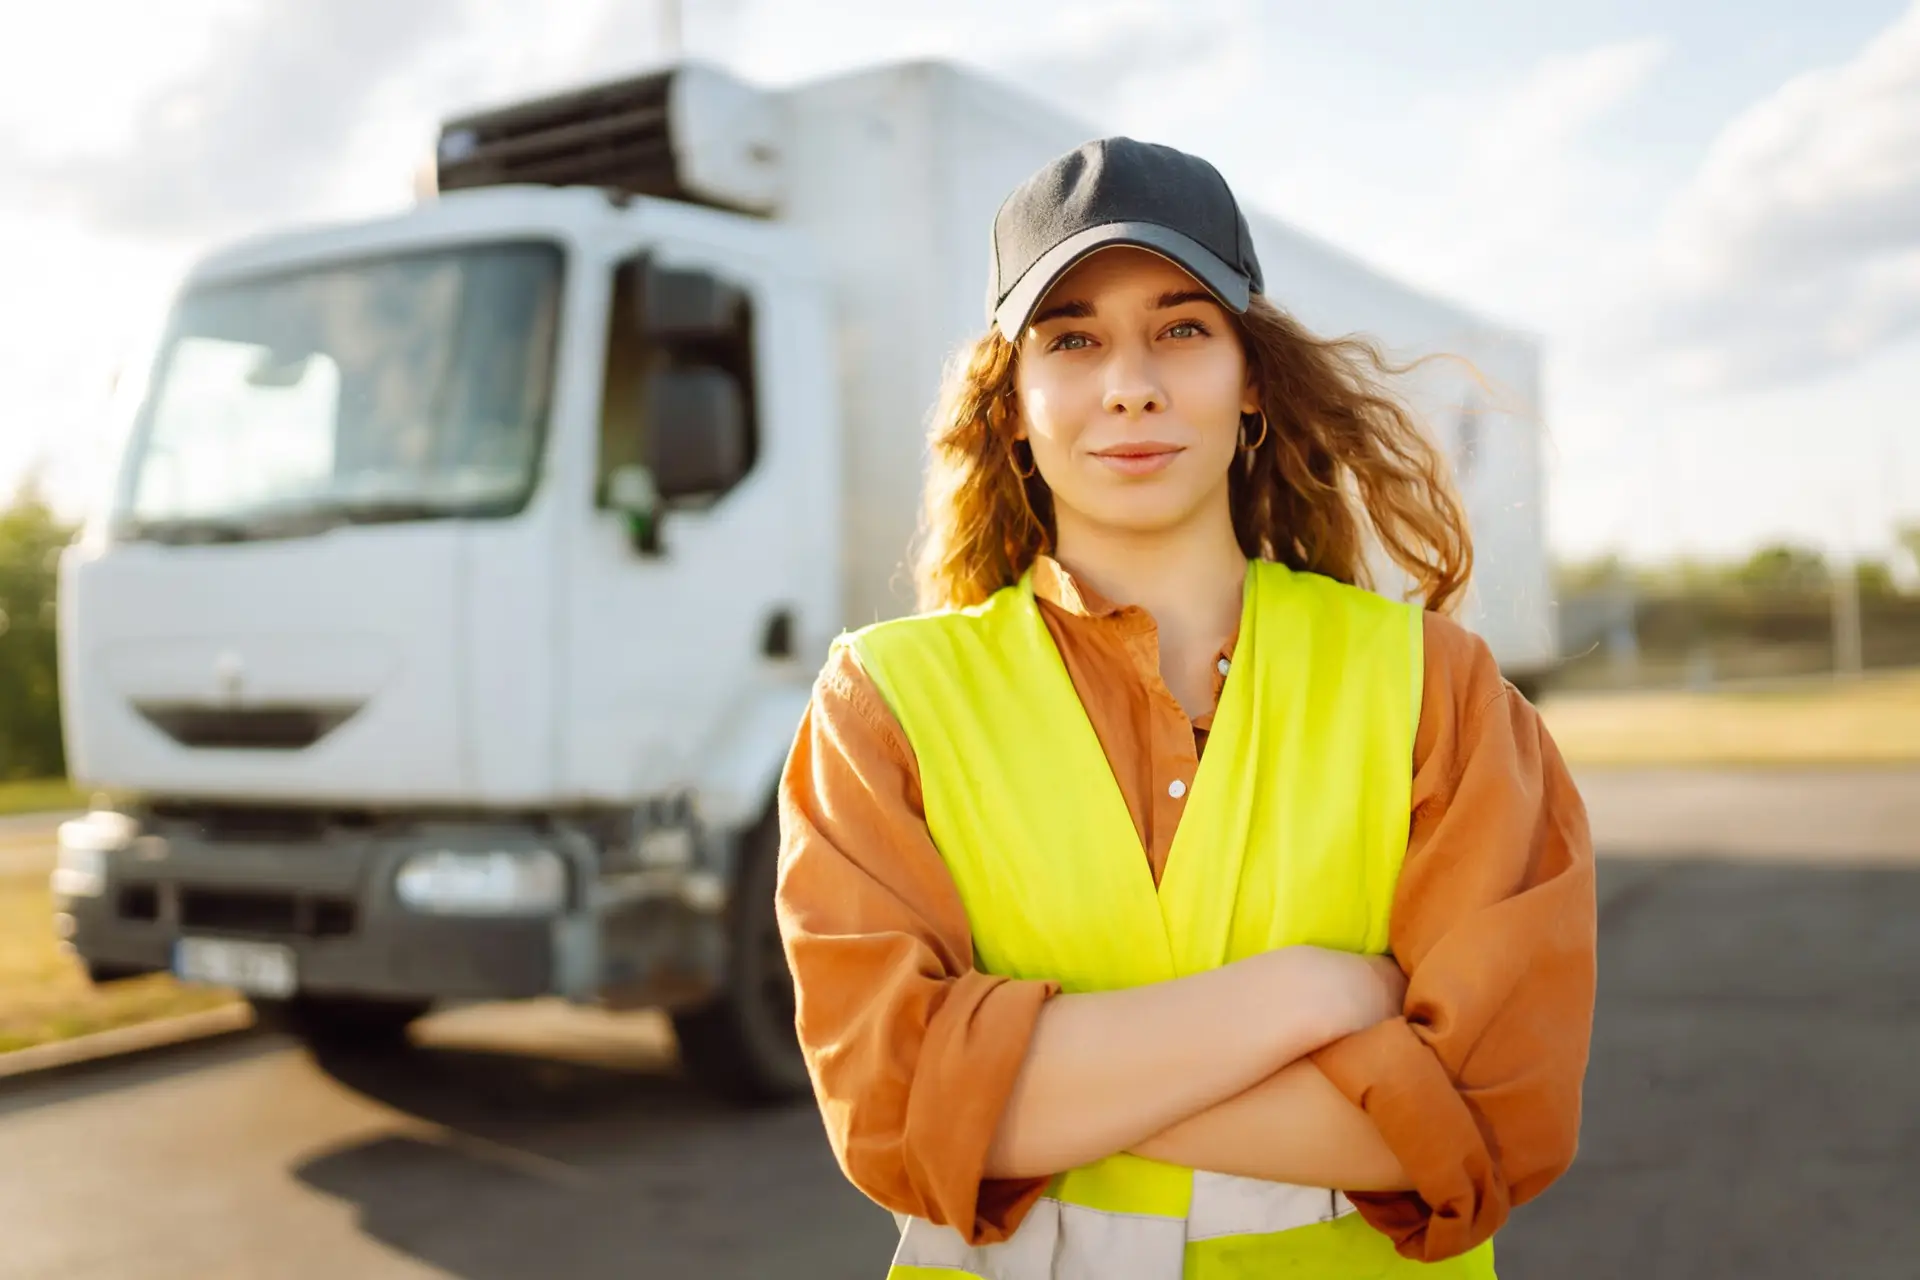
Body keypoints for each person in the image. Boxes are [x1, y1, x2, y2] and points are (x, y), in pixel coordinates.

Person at [776, 137, 1595, 1278]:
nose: (1131, 382)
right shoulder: (882, 708)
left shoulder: (1437, 688)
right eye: (1071, 338)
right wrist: (1306, 995)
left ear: (1250, 374)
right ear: (1011, 402)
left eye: (1182, 326)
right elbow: (889, 1113)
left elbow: (1492, 1121)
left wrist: (1013, 1096)